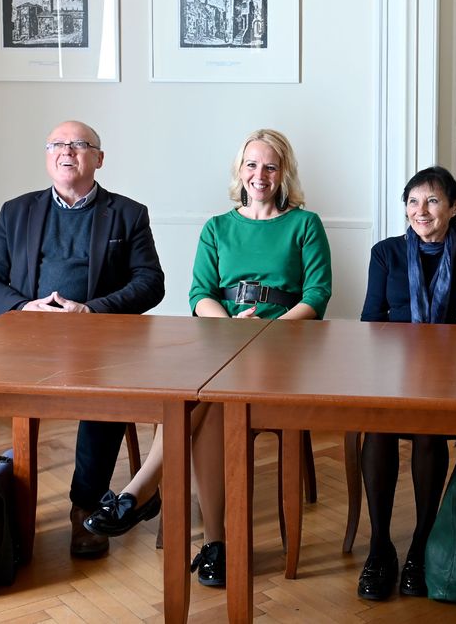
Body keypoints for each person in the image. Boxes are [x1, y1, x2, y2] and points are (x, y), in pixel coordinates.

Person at [83, 129, 332, 587]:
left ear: (284, 175)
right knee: (208, 400)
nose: (260, 175)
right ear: (240, 171)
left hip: (282, 341)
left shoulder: (304, 224)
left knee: (203, 395)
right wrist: (230, 326)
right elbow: (200, 293)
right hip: (222, 337)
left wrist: (268, 327)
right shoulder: (217, 227)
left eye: (271, 166)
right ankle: (217, 544)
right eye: (252, 165)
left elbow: (317, 294)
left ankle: (141, 492)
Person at [0, 120, 166, 560]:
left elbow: (151, 282)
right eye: (57, 144)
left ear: (99, 158)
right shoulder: (17, 211)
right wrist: (23, 308)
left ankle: (86, 507)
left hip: (94, 339)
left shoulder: (128, 213)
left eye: (79, 144)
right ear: (47, 156)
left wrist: (91, 309)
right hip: (17, 337)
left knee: (109, 391)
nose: (67, 151)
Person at [356, 166, 456, 601]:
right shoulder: (386, 253)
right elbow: (370, 323)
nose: (422, 210)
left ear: (455, 207)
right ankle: (380, 546)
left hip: (452, 376)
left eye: (433, 201)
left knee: (426, 427)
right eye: (413, 201)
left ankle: (421, 543)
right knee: (378, 426)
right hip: (392, 372)